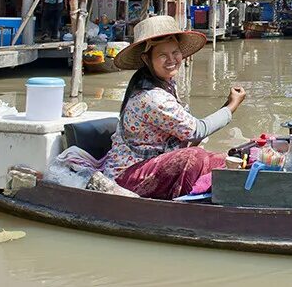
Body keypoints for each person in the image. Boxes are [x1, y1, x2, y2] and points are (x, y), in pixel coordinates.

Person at [98, 15, 246, 198]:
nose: (172, 59)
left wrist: (228, 105)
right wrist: (232, 105)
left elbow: (191, 132)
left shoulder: (166, 83)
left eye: (175, 52)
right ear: (146, 59)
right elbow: (197, 131)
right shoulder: (151, 98)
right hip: (126, 177)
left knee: (223, 159)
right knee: (194, 158)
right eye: (162, 55)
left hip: (152, 164)